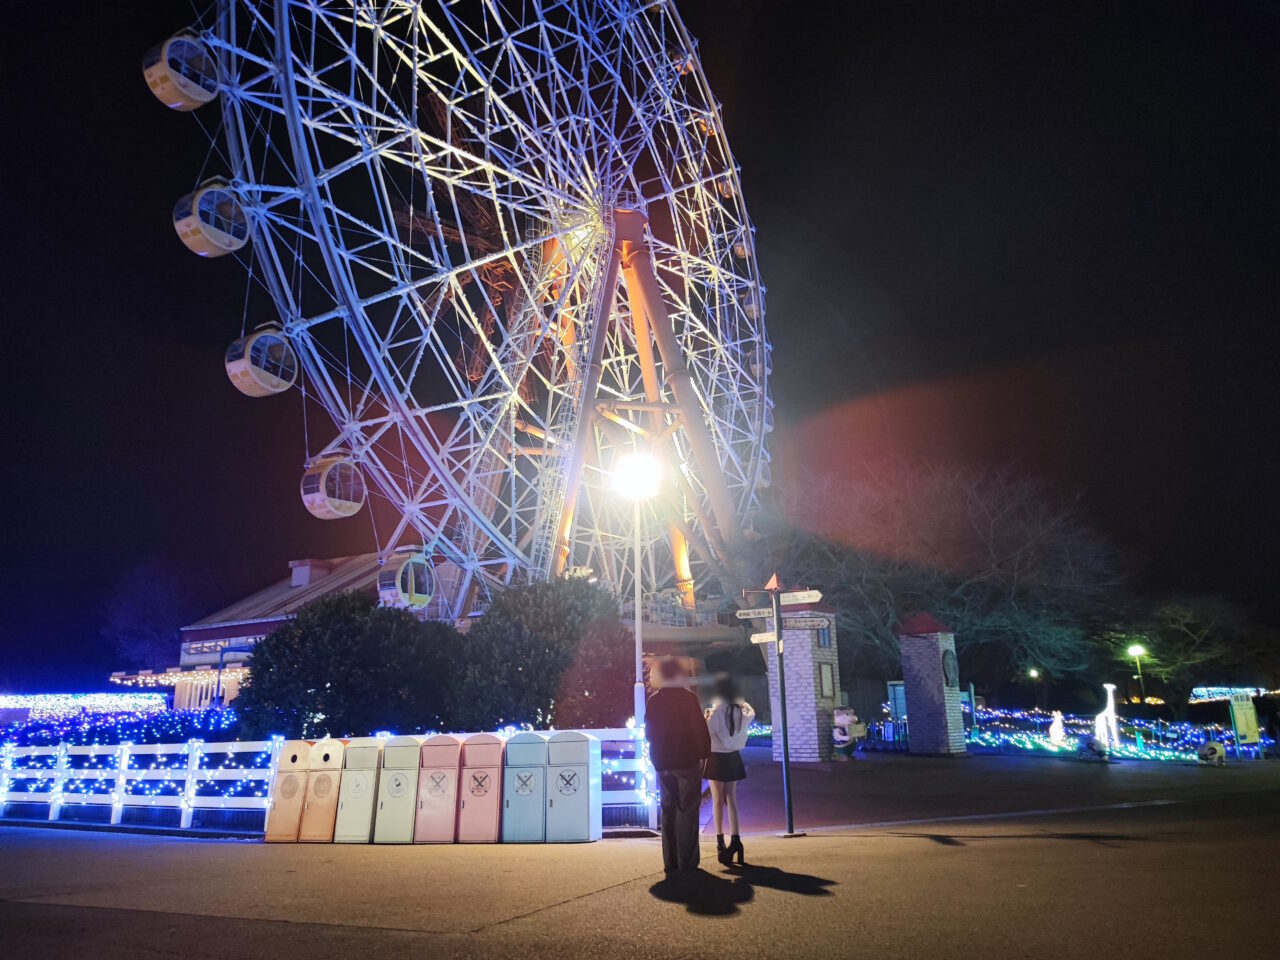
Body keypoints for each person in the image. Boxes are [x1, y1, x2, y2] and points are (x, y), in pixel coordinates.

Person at [646, 657, 711, 873]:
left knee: (668, 809)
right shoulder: (689, 699)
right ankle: (688, 861)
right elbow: (699, 730)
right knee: (688, 810)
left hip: (663, 764)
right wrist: (704, 755)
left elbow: (649, 734)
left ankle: (670, 861)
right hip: (687, 762)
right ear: (679, 674)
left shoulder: (654, 701)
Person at [704, 674, 754, 865]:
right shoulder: (740, 711)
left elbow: (707, 731)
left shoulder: (717, 711)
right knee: (731, 799)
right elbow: (752, 712)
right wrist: (741, 702)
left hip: (716, 757)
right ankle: (736, 840)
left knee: (717, 801)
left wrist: (707, 716)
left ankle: (720, 842)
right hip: (733, 757)